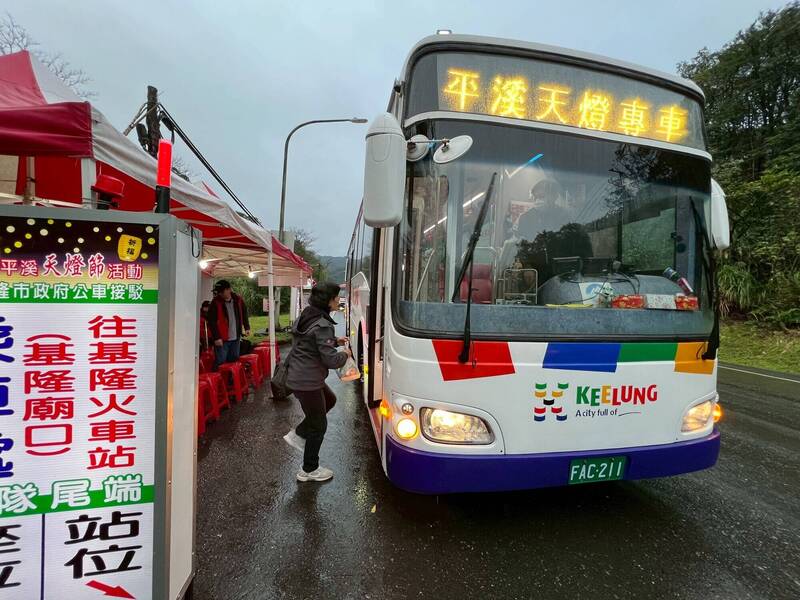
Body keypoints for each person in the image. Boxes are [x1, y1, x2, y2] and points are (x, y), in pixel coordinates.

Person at [283, 282, 350, 483]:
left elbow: (311, 342)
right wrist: (345, 354)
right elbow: (330, 360)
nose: (339, 300)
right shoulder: (323, 324)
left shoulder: (308, 315)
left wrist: (333, 341)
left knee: (329, 400)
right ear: (327, 300)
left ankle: (299, 434)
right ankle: (308, 470)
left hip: (301, 377)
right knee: (318, 425)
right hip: (307, 381)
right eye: (336, 297)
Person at [206, 280, 250, 367]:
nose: (220, 294)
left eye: (221, 291)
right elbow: (211, 322)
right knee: (221, 361)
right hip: (222, 339)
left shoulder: (238, 300)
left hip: (235, 337)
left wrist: (247, 327)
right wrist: (216, 337)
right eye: (218, 292)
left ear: (229, 289)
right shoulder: (215, 303)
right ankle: (220, 379)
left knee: (234, 360)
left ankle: (231, 379)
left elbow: (244, 313)